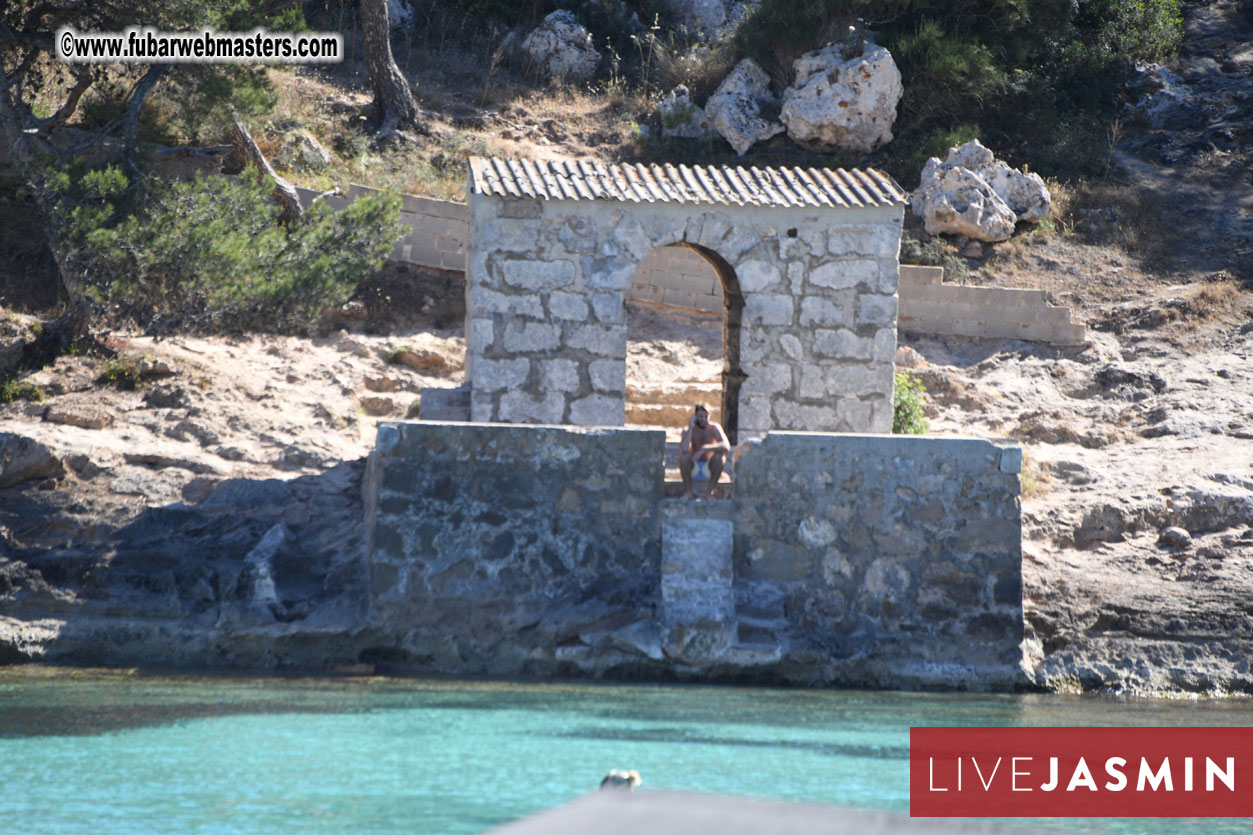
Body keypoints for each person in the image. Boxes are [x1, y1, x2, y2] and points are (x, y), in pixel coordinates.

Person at [679, 403, 730, 499]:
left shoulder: (714, 428)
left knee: (720, 457)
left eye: (705, 417)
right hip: (693, 467)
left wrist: (704, 448)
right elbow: (684, 449)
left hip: (709, 467)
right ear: (695, 417)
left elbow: (726, 446)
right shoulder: (687, 430)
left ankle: (709, 493)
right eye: (700, 416)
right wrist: (690, 427)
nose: (703, 419)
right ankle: (688, 492)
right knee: (684, 457)